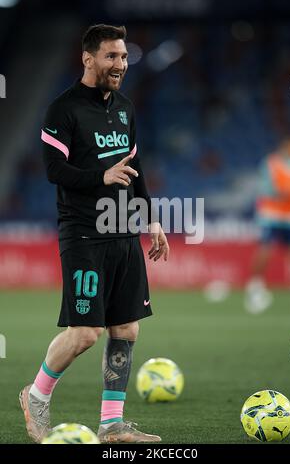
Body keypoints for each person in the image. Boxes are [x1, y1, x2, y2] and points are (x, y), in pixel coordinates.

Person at [19, 24, 169, 444]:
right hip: (84, 234)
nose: (120, 64)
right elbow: (54, 171)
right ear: (88, 59)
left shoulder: (124, 107)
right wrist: (102, 175)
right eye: (111, 57)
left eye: (123, 57)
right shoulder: (62, 110)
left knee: (126, 329)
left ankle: (112, 426)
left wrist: (152, 219)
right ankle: (35, 396)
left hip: (123, 233)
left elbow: (134, 170)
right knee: (86, 332)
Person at [245, 136, 290, 313]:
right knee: (265, 250)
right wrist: (282, 193)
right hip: (271, 214)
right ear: (284, 146)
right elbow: (265, 188)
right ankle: (255, 285)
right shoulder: (271, 163)